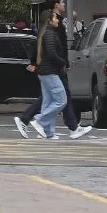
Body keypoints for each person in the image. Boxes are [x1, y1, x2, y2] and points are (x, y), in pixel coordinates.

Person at [15, 0, 92, 140]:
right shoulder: (53, 26)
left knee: (49, 98)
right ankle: (51, 124)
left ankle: (46, 129)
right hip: (53, 68)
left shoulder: (50, 24)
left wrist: (35, 62)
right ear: (56, 5)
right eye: (62, 2)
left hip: (50, 67)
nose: (64, 4)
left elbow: (43, 45)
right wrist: (63, 63)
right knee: (62, 98)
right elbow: (53, 48)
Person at [24, 9, 70, 140]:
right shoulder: (50, 34)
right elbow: (51, 53)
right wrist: (63, 62)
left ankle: (48, 132)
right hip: (50, 71)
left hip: (44, 71)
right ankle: (40, 120)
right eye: (55, 18)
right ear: (49, 20)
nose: (57, 20)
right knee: (62, 100)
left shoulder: (45, 33)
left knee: (48, 101)